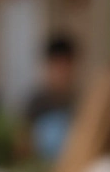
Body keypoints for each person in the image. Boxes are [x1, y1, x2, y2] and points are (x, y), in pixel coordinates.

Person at [22, 34, 78, 163]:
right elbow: (22, 144)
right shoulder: (35, 103)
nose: (61, 73)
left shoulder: (81, 102)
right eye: (57, 66)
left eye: (65, 66)